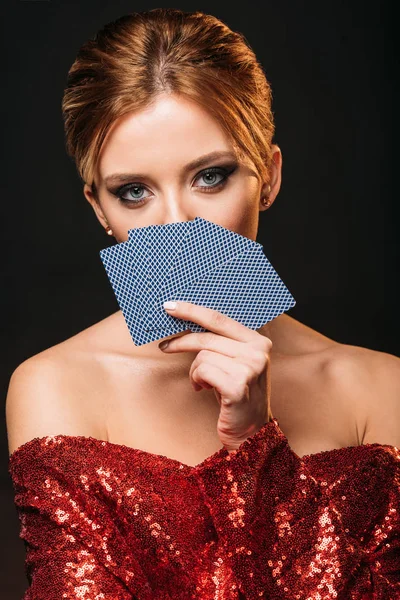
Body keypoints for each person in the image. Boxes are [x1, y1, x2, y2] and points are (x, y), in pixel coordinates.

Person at [6, 7, 400, 599]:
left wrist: (255, 451)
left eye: (210, 177)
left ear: (267, 177)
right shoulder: (55, 384)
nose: (176, 224)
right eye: (133, 192)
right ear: (98, 208)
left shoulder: (380, 388)